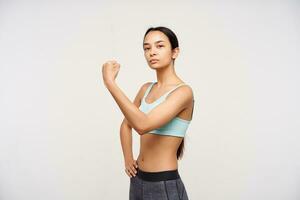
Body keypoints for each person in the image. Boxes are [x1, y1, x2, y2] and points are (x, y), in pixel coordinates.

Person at [102, 26, 194, 200]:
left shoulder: (183, 93)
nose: (152, 52)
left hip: (164, 184)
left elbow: (142, 125)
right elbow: (126, 124)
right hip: (138, 180)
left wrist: (110, 84)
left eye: (159, 46)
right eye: (147, 48)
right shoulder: (146, 88)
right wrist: (128, 158)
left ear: (175, 52)